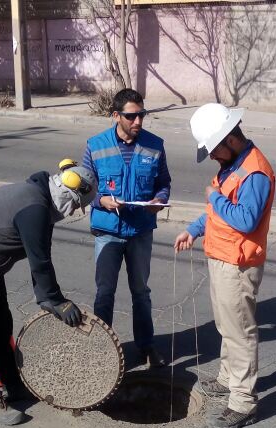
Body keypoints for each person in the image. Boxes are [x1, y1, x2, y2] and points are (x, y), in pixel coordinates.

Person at [0, 160, 97, 425]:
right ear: (69, 192)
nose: (73, 212)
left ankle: (13, 382)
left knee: (1, 327)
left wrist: (48, 298)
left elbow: (40, 255)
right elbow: (40, 261)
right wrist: (55, 300)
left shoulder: (42, 199)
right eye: (76, 205)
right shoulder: (34, 208)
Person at [173, 103, 275, 428]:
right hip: (221, 257)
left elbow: (245, 220)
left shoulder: (254, 172)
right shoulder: (233, 164)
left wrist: (213, 198)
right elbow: (217, 212)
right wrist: (194, 229)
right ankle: (228, 378)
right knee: (226, 325)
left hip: (238, 264)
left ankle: (243, 402)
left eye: (213, 150)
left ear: (229, 139)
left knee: (240, 331)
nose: (212, 157)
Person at [84, 88, 172, 369]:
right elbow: (84, 187)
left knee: (141, 292)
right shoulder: (96, 145)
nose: (138, 121)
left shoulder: (155, 145)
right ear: (116, 115)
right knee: (104, 293)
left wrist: (159, 200)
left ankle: (146, 347)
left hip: (140, 232)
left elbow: (164, 183)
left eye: (141, 115)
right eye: (131, 116)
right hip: (107, 232)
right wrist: (101, 200)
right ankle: (100, 351)